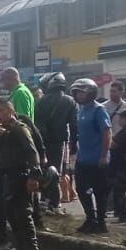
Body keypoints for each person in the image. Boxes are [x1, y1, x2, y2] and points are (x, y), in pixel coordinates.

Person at [0, 98, 42, 250]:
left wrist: (34, 176)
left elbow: (32, 151)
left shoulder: (20, 129)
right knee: (11, 214)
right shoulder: (3, 130)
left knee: (23, 214)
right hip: (8, 176)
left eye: (1, 111)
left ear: (10, 112)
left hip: (21, 175)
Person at [71, 77, 111, 233]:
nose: (78, 96)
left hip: (97, 159)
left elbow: (107, 133)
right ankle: (90, 218)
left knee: (100, 192)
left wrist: (104, 155)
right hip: (83, 159)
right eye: (76, 93)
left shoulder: (99, 110)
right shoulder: (81, 110)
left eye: (81, 93)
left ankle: (101, 222)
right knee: (81, 190)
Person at [34, 73, 78, 214]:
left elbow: (38, 124)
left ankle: (45, 199)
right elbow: (74, 125)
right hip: (60, 142)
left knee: (45, 169)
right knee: (57, 172)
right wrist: (74, 143)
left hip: (43, 142)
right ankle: (54, 203)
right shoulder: (70, 101)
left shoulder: (41, 101)